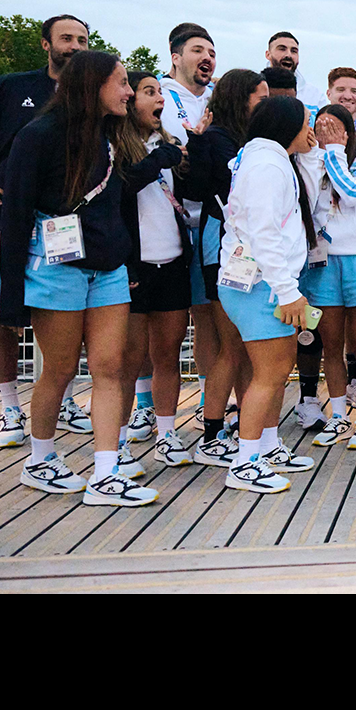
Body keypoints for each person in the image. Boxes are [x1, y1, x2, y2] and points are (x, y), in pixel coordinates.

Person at [0, 51, 158, 507]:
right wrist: (12, 297)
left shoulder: (111, 136)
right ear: (92, 86)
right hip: (56, 268)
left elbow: (120, 202)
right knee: (62, 368)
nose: (129, 92)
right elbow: (15, 215)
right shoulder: (39, 135)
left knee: (111, 368)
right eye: (123, 83)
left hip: (109, 270)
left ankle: (106, 473)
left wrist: (130, 261)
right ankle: (40, 459)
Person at [0, 14, 95, 447]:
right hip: (7, 220)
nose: (75, 46)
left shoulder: (94, 97)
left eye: (82, 39)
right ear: (45, 44)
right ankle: (8, 408)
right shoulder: (10, 86)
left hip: (68, 228)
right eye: (66, 38)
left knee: (69, 317)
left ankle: (65, 402)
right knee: (1, 316)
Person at [217, 96, 319, 493]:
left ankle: (268, 445)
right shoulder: (266, 164)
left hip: (263, 281)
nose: (310, 129)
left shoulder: (268, 157)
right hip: (262, 284)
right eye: (305, 122)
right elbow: (264, 233)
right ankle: (244, 462)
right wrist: (288, 292)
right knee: (270, 374)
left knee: (277, 371)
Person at [185, 70, 268, 466]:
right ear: (240, 98)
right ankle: (212, 434)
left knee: (246, 348)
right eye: (259, 95)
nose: (264, 103)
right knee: (230, 345)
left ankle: (247, 427)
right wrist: (197, 143)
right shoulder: (217, 138)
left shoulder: (249, 141)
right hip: (223, 247)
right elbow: (200, 186)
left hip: (246, 251)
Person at [114, 72, 195, 475]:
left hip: (174, 262)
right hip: (134, 266)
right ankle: (121, 442)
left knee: (168, 354)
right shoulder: (115, 146)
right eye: (149, 92)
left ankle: (167, 433)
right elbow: (119, 190)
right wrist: (156, 161)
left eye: (160, 92)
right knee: (128, 360)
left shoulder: (169, 145)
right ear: (129, 100)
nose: (159, 99)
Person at [301, 104, 356, 452]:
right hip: (323, 263)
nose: (324, 132)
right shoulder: (311, 160)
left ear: (349, 130)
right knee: (330, 345)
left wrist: (335, 150)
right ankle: (338, 415)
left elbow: (352, 193)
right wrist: (315, 155)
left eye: (333, 126)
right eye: (319, 126)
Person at [159, 25, 218, 425]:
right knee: (163, 324)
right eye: (198, 50)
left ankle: (209, 400)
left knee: (207, 316)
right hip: (166, 226)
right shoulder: (159, 95)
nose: (207, 58)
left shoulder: (218, 99)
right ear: (176, 56)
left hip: (210, 223)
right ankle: (148, 408)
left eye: (212, 52)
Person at [265, 31, 327, 113]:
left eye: (294, 51)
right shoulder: (254, 89)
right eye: (282, 49)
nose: (288, 55)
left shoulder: (315, 96)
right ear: (268, 54)